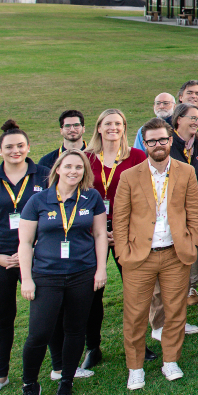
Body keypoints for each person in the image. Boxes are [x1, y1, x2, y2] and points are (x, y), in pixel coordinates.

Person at [14, 149, 108, 395]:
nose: (73, 171)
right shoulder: (38, 201)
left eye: (78, 167)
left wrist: (101, 269)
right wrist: (26, 278)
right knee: (39, 333)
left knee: (75, 330)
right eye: (68, 166)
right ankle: (30, 384)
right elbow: (25, 243)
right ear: (57, 169)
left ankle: (67, 379)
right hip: (47, 275)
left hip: (82, 273)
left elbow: (100, 235)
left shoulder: (91, 197)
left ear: (84, 172)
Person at [113, 117, 198, 390]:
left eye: (162, 139)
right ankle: (135, 367)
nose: (158, 145)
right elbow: (120, 219)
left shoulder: (186, 171)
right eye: (151, 141)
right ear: (145, 144)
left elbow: (194, 211)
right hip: (140, 257)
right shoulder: (129, 176)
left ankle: (170, 361)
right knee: (135, 315)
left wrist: (191, 242)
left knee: (176, 311)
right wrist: (123, 253)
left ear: (170, 140)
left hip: (175, 254)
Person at [0, 121, 53, 395]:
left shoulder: (45, 175)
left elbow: (57, 213)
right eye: (9, 147)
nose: (15, 150)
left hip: (38, 255)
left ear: (28, 147)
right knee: (0, 318)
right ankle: (0, 376)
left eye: (20, 145)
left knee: (48, 313)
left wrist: (32, 248)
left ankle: (60, 367)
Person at [84, 109, 148, 368]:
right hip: (92, 232)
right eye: (108, 123)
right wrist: (99, 230)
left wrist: (121, 229)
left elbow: (145, 194)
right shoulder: (86, 158)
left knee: (134, 290)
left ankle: (138, 343)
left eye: (118, 123)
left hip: (128, 230)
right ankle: (93, 346)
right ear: (99, 127)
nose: (113, 127)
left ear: (124, 127)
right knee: (93, 292)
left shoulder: (137, 156)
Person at [170, 102, 198, 307]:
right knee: (173, 246)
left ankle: (191, 286)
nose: (197, 122)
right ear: (179, 119)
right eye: (193, 118)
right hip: (171, 209)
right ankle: (173, 285)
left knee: (195, 246)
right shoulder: (167, 142)